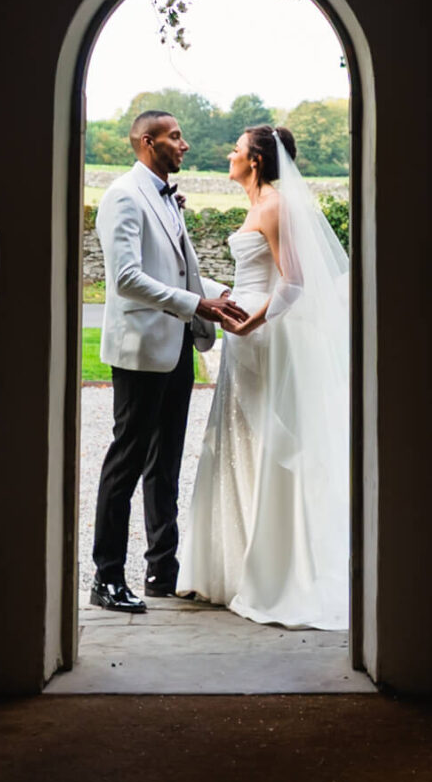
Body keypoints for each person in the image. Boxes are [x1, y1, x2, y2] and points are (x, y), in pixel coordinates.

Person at [178, 125, 350, 630]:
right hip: (243, 333)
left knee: (267, 443)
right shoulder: (256, 204)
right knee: (237, 443)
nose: (229, 154)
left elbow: (293, 282)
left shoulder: (275, 205)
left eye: (236, 149)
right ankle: (230, 569)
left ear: (255, 160)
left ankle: (274, 572)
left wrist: (251, 323)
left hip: (264, 336)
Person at [90, 109, 248, 613]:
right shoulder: (123, 196)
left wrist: (226, 296)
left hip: (176, 345)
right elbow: (126, 279)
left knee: (166, 464)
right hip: (140, 351)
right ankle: (107, 577)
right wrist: (197, 304)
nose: (184, 144)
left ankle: (162, 569)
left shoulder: (166, 197)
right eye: (174, 137)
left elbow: (179, 271)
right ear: (146, 142)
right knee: (126, 462)